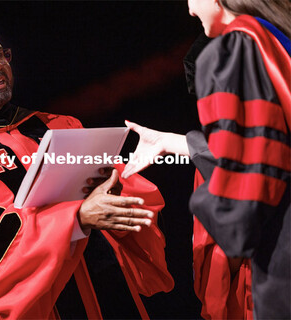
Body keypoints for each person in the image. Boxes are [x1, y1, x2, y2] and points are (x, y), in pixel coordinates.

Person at [0, 24, 174, 319]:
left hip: (112, 296)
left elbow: (135, 194)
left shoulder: (59, 125)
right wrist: (76, 217)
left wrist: (114, 191)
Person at [121, 0, 290, 319]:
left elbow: (252, 169)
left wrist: (219, 219)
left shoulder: (232, 49)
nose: (189, 10)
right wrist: (173, 142)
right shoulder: (276, 39)